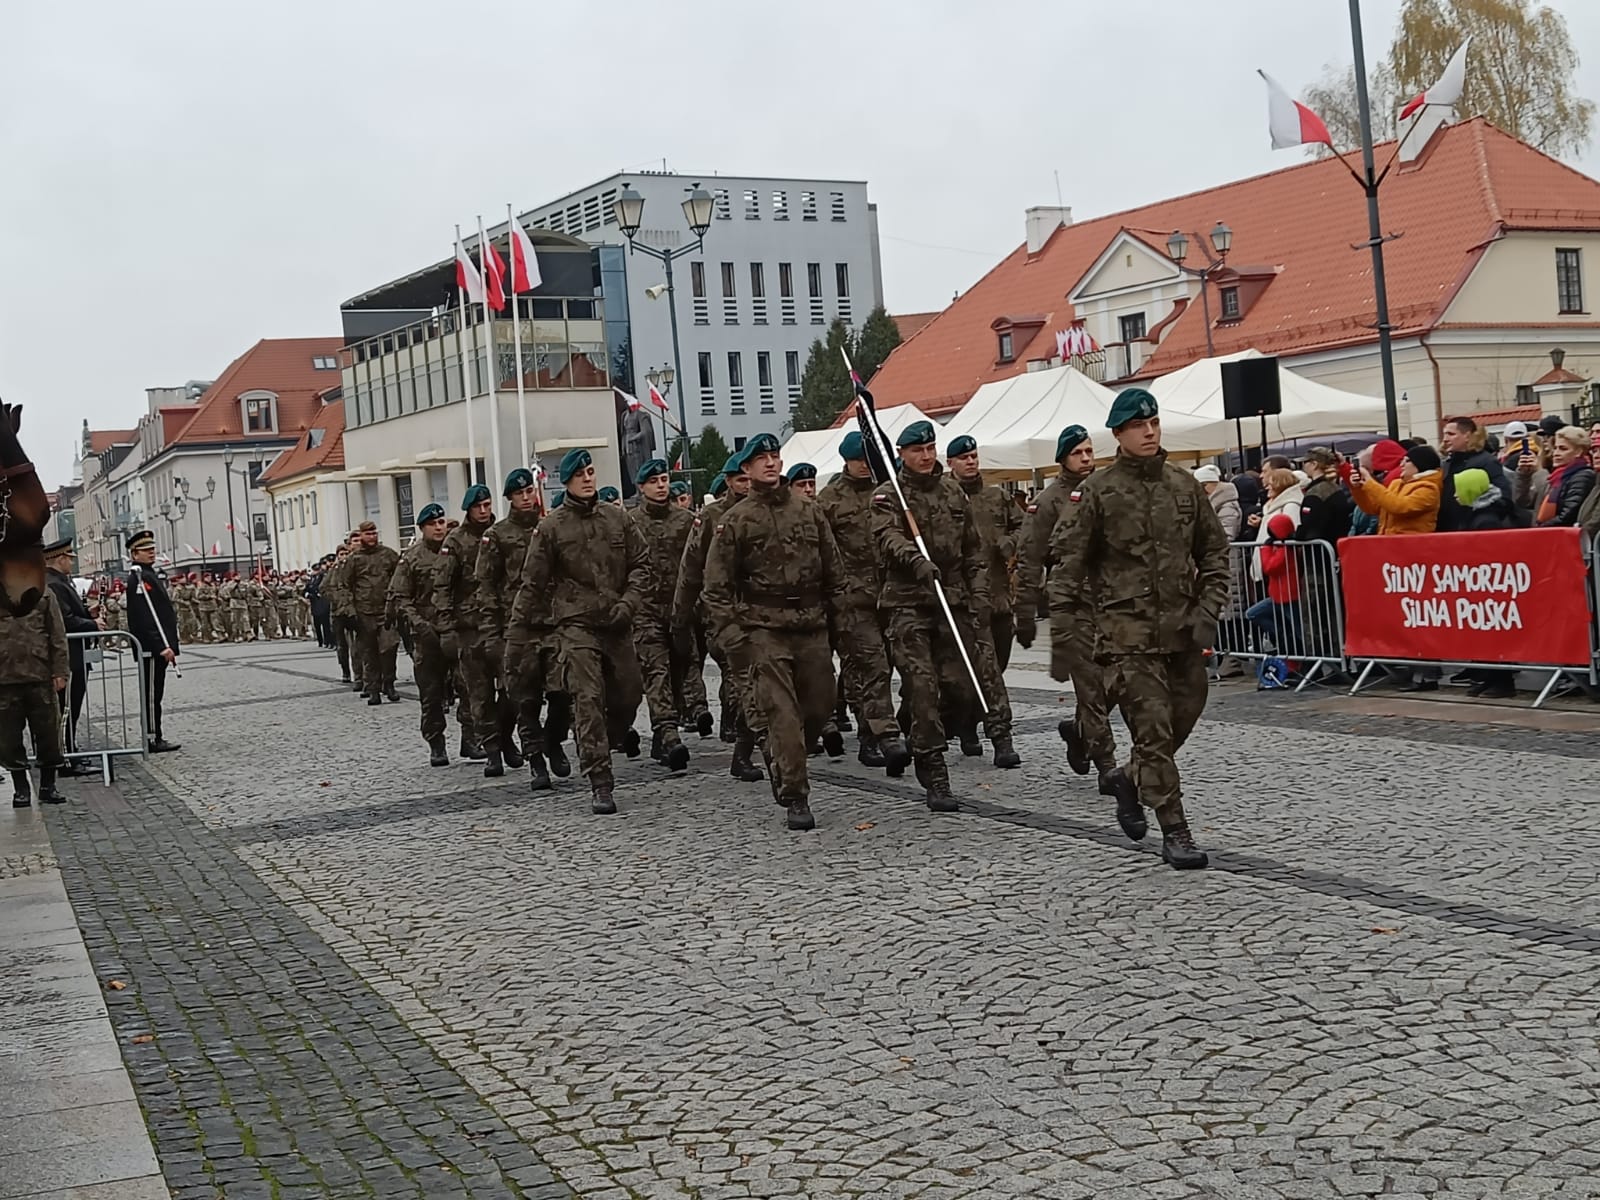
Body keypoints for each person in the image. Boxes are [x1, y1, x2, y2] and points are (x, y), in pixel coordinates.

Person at [1053, 388, 1229, 870]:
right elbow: (1068, 563)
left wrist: (1208, 608)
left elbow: (1214, 552)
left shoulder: (1183, 485)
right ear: (1118, 434)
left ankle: (1128, 779)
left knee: (1184, 715)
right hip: (1126, 635)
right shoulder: (1098, 490)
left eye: (1153, 423)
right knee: (1153, 730)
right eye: (1137, 425)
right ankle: (1175, 830)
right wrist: (1068, 629)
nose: (1149, 432)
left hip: (1183, 629)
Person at [704, 433, 846, 831]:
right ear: (746, 469)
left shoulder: (809, 511)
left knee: (819, 707)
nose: (770, 462)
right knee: (782, 713)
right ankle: (796, 794)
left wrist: (842, 624)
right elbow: (715, 587)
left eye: (774, 456)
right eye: (761, 458)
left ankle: (783, 759)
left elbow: (835, 573)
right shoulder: (736, 520)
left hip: (811, 625)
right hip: (763, 629)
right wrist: (734, 638)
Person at [519, 448, 649, 815]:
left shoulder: (618, 519)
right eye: (580, 474)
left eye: (590, 472)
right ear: (567, 481)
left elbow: (641, 564)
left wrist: (629, 602)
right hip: (576, 625)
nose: (588, 479)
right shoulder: (551, 528)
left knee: (629, 695)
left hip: (617, 622)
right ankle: (600, 779)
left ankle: (604, 739)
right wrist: (519, 637)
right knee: (588, 698)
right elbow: (533, 583)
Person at [872, 419, 989, 812]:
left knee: (961, 690)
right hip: (908, 602)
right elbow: (887, 538)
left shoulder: (953, 492)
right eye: (916, 450)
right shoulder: (888, 495)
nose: (925, 456)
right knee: (923, 686)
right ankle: (933, 769)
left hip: (951, 602)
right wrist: (915, 560)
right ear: (901, 454)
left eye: (929, 448)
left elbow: (973, 549)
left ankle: (912, 728)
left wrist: (979, 594)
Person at [816, 431, 910, 772]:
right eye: (859, 461)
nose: (865, 466)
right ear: (846, 461)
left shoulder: (888, 492)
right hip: (853, 599)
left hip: (891, 594)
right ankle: (881, 737)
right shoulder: (829, 500)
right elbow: (819, 550)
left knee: (901, 665)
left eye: (869, 460)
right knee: (873, 667)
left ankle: (890, 727)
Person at [1041, 425, 1127, 786]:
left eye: (1090, 451)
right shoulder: (1049, 500)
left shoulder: (1107, 489)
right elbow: (1035, 551)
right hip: (1073, 605)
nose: (1087, 458)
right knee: (1090, 686)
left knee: (1120, 680)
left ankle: (1078, 731)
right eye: (1078, 453)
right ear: (1063, 458)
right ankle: (1107, 764)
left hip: (1111, 602)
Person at [676, 455, 764, 782]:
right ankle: (746, 749)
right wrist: (681, 617)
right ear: (728, 481)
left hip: (766, 614)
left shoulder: (767, 510)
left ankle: (747, 739)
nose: (746, 485)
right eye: (740, 479)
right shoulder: (712, 517)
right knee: (742, 681)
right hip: (723, 615)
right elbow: (691, 569)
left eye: (749, 479)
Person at [628, 457, 704, 772]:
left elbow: (699, 563)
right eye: (653, 481)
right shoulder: (630, 523)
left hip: (679, 611)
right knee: (655, 671)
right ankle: (669, 733)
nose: (661, 486)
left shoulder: (686, 521)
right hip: (645, 611)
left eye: (664, 480)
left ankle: (662, 735)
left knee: (679, 670)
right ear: (641, 487)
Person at [388, 503, 470, 766]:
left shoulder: (455, 551)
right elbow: (400, 597)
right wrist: (420, 625)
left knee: (468, 686)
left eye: (441, 522)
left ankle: (470, 739)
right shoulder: (411, 558)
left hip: (455, 631)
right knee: (431, 694)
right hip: (427, 636)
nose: (438, 528)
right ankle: (436, 744)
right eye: (432, 524)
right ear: (422, 528)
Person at [477, 469, 547, 774]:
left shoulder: (548, 527)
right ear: (510, 498)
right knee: (519, 695)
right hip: (513, 626)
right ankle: (531, 754)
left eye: (529, 491)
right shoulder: (497, 535)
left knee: (560, 691)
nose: (527, 497)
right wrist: (492, 634)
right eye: (520, 493)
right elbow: (486, 587)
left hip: (550, 622)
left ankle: (551, 740)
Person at [435, 486, 500, 767]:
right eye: (478, 507)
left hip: (500, 623)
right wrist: (447, 629)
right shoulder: (456, 541)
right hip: (470, 627)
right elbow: (442, 587)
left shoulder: (500, 534)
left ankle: (504, 739)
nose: (483, 511)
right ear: (468, 510)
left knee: (514, 689)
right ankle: (486, 745)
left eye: (487, 505)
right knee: (478, 690)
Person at [1449, 468, 1519, 700]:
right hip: (1481, 582)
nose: (1455, 495)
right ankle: (1489, 677)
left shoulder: (1486, 519)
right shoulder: (1477, 513)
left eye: (1459, 490)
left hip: (1489, 583)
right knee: (1485, 635)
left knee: (1494, 635)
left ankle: (1502, 681)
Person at [1, 581, 68, 807]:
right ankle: (21, 788)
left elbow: (57, 633)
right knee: (8, 738)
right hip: (5, 679)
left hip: (40, 675)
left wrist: (60, 670)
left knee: (48, 735)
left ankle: (48, 786)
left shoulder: (42, 592)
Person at [42, 538, 99, 774]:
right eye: (69, 559)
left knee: (72, 708)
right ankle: (65, 757)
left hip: (74, 655)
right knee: (65, 710)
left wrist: (87, 612)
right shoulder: (53, 584)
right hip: (67, 657)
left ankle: (70, 750)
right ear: (61, 559)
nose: (71, 563)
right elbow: (64, 621)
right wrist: (92, 624)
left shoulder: (60, 582)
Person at [124, 530, 181, 754]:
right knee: (151, 695)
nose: (151, 553)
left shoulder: (148, 574)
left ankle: (156, 734)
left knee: (156, 694)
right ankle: (151, 737)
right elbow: (144, 617)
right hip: (151, 648)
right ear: (134, 554)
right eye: (146, 550)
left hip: (160, 646)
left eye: (152, 549)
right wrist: (160, 646)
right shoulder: (139, 578)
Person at [346, 521, 401, 706]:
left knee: (389, 649)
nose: (372, 537)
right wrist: (350, 611)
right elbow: (344, 586)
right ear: (361, 535)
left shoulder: (388, 554)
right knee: (369, 653)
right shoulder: (354, 559)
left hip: (386, 611)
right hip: (364, 612)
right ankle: (374, 689)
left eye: (374, 533)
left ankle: (389, 683)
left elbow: (400, 577)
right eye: (368, 534)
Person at [1438, 417, 1514, 532]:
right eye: (1444, 434)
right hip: (1447, 530)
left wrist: (1480, 511)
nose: (1445, 439)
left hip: (1474, 529)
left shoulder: (1487, 461)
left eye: (1451, 434)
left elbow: (1503, 498)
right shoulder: (1447, 463)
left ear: (1467, 436)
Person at [1535, 426, 1596, 526]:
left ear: (1578, 452)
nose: (1556, 453)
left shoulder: (1583, 476)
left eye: (1563, 449)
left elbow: (1568, 515)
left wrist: (1542, 528)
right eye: (1555, 448)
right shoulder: (1557, 476)